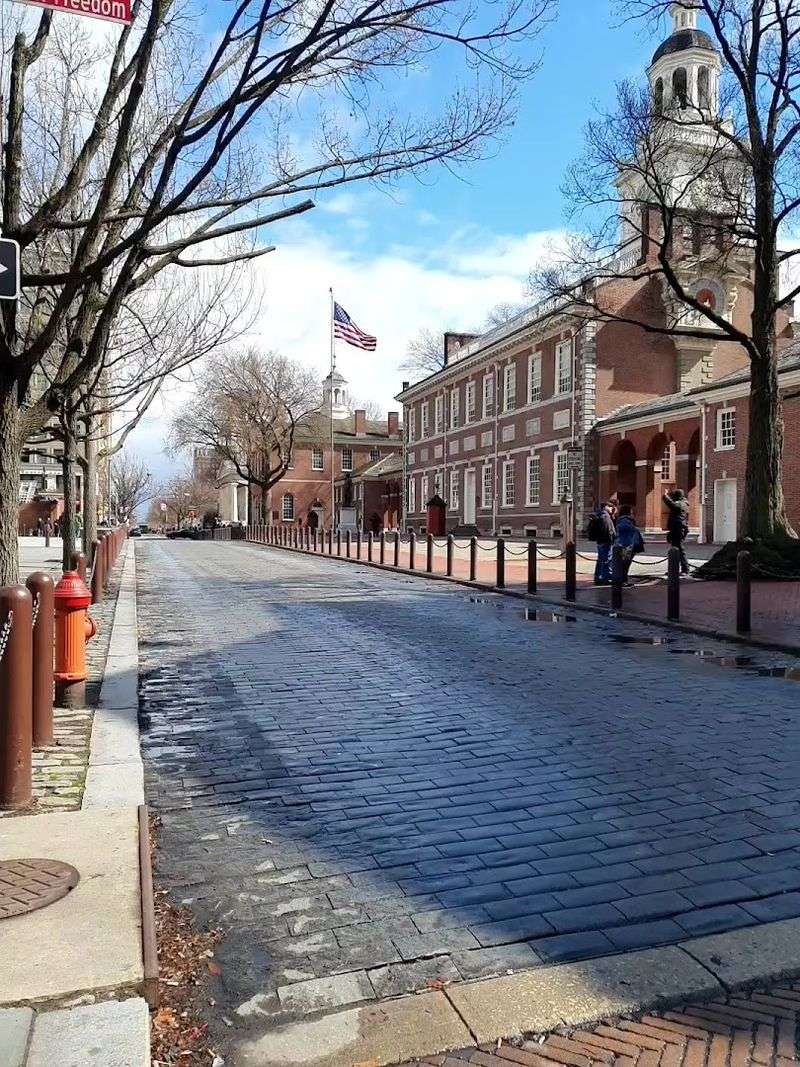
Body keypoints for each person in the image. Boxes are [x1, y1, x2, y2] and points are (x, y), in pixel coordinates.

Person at [614, 505, 645, 586]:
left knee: (625, 564)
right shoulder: (624, 520)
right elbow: (623, 530)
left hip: (629, 545)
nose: (632, 513)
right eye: (631, 512)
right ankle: (622, 581)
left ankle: (623, 580)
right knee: (624, 564)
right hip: (626, 545)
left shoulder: (627, 520)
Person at [588, 501, 616, 584]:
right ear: (606, 507)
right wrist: (613, 539)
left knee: (601, 559)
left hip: (600, 540)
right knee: (606, 560)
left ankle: (598, 577)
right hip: (606, 541)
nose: (612, 509)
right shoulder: (605, 516)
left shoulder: (599, 515)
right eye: (611, 507)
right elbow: (609, 530)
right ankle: (605, 578)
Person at [663, 488, 690, 575]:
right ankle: (674, 569)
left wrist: (665, 495)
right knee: (675, 549)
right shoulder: (683, 503)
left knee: (680, 549)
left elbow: (671, 504)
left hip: (678, 529)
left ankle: (685, 569)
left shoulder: (681, 504)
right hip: (676, 529)